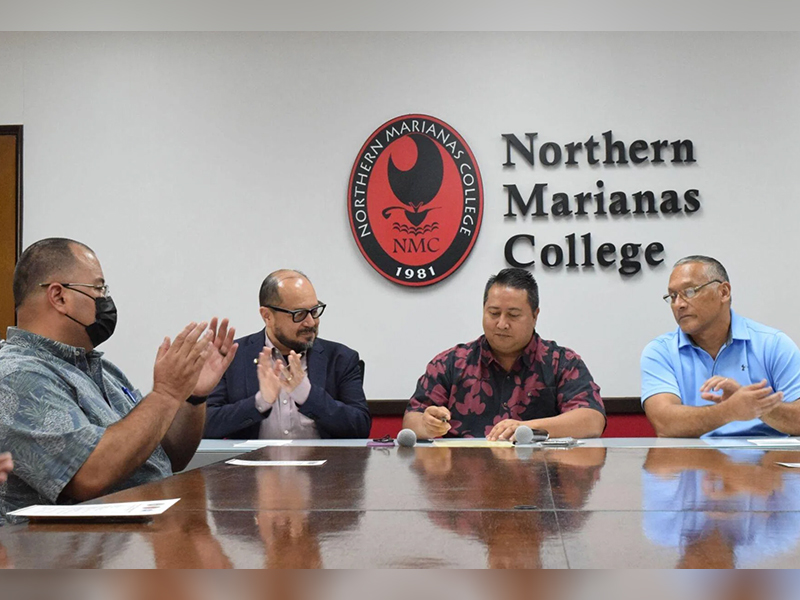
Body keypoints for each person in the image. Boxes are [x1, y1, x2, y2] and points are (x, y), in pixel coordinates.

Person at [0, 238, 237, 519]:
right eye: (98, 288)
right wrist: (165, 395)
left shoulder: (102, 370)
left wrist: (192, 397)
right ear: (59, 296)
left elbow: (168, 457)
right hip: (66, 555)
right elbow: (89, 474)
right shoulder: (15, 375)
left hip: (140, 536)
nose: (105, 299)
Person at [403, 267, 606, 440]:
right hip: (463, 481)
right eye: (493, 313)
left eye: (513, 315)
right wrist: (427, 424)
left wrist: (525, 428)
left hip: (541, 480)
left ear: (535, 315)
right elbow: (411, 421)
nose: (501, 324)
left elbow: (591, 420)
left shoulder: (561, 363)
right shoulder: (451, 363)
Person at [641, 255, 800, 437]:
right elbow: (665, 423)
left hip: (767, 460)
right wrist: (729, 410)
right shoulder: (660, 351)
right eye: (673, 296)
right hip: (693, 460)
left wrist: (757, 406)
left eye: (690, 291)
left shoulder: (773, 343)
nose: (679, 304)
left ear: (723, 292)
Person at [204, 269, 370, 439]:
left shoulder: (341, 358)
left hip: (323, 464)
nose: (310, 322)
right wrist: (260, 403)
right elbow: (206, 426)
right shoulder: (234, 357)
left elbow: (360, 427)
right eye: (299, 314)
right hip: (252, 464)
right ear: (267, 316)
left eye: (314, 311)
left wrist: (308, 395)